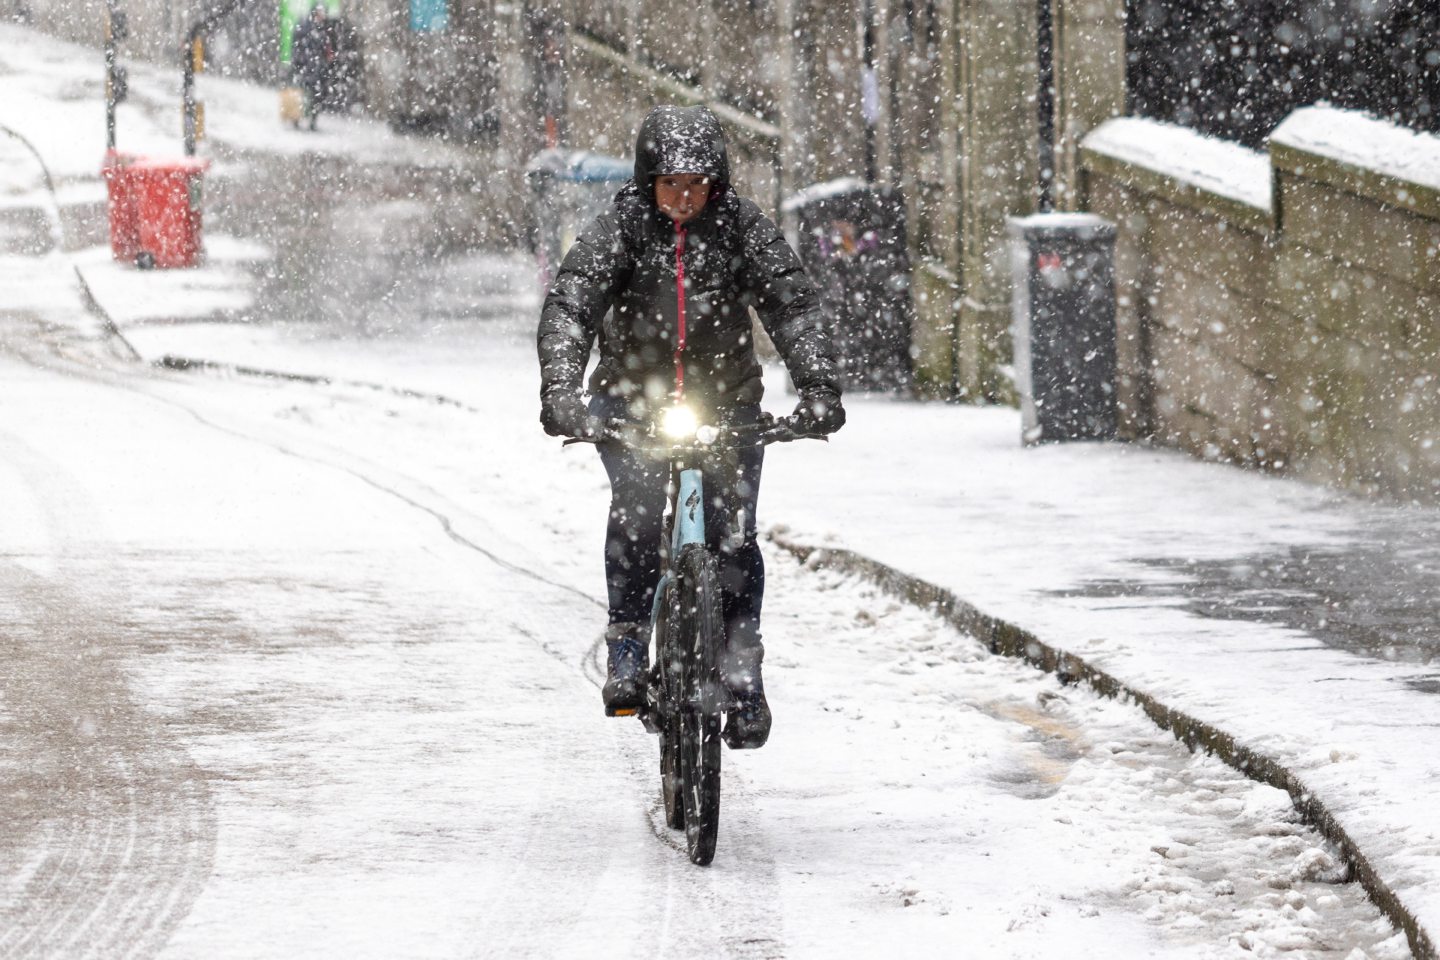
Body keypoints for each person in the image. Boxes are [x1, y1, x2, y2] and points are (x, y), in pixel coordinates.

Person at [537, 105, 845, 749]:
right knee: (639, 515)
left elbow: (791, 303)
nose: (683, 198)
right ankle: (627, 645)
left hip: (726, 405)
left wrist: (818, 387)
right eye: (671, 184)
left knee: (734, 538)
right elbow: (573, 304)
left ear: (718, 184)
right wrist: (561, 390)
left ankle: (743, 672)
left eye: (697, 185)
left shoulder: (738, 228)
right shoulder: (621, 225)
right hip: (631, 406)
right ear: (648, 180)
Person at [290, 4, 333, 131]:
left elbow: (325, 47)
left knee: (316, 96)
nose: (323, 16)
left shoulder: (322, 29)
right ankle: (296, 120)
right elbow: (297, 46)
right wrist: (299, 62)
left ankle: (312, 122)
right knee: (302, 94)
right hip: (306, 67)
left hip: (316, 68)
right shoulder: (305, 27)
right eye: (321, 13)